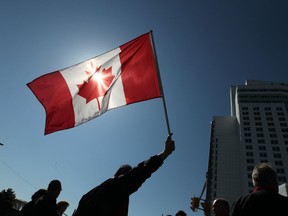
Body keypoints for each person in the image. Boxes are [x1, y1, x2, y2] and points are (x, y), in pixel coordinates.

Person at [73, 134, 175, 216]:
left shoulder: (88, 195)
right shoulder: (116, 186)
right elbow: (139, 173)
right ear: (124, 174)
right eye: (128, 173)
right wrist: (165, 153)